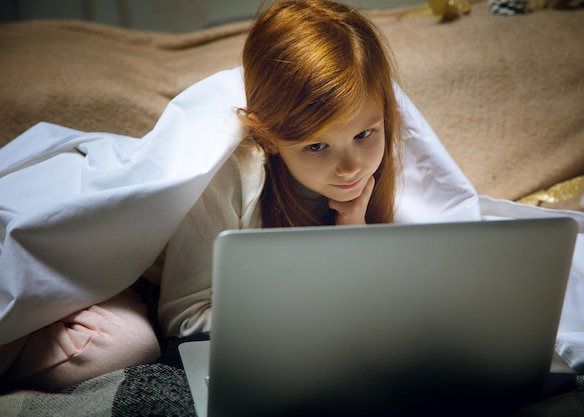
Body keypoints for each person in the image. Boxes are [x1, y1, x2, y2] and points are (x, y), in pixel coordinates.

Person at [0, 0, 404, 392]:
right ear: (271, 137)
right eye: (316, 147)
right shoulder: (231, 174)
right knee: (129, 344)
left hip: (146, 289)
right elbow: (186, 317)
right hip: (88, 247)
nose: (350, 167)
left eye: (364, 135)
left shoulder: (371, 160)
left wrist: (352, 228)